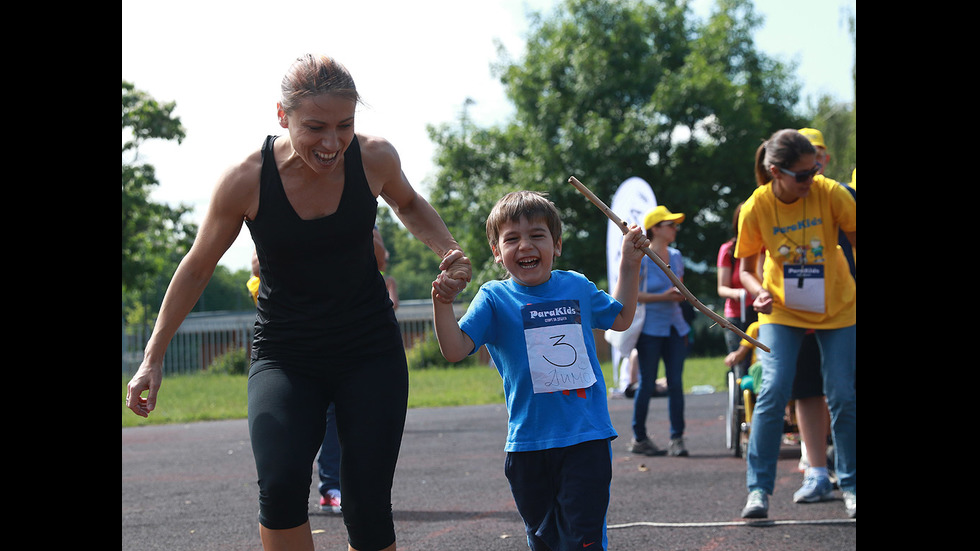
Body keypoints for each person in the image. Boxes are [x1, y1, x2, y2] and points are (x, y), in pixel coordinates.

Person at [125, 54, 472, 551]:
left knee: (366, 500)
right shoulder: (245, 179)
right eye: (316, 127)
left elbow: (409, 203)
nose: (332, 143)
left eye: (344, 126)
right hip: (286, 353)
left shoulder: (374, 158)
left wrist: (449, 251)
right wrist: (152, 359)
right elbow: (198, 266)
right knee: (282, 483)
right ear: (283, 117)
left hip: (369, 347)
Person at [430, 190, 648, 551]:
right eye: (512, 238)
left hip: (586, 437)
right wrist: (442, 304)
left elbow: (622, 318)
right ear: (498, 254)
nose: (525, 245)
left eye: (537, 235)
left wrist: (630, 262)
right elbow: (454, 349)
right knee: (545, 539)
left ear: (557, 245)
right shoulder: (494, 298)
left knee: (584, 538)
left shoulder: (576, 285)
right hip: (528, 444)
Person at [735, 128, 856, 520]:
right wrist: (759, 292)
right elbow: (747, 268)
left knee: (842, 393)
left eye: (815, 169)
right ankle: (758, 490)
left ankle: (851, 486)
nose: (812, 179)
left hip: (837, 306)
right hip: (782, 308)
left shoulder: (831, 192)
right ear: (775, 172)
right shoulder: (757, 207)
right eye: (802, 174)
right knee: (772, 389)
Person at [788, 127, 857, 504]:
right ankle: (816, 471)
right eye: (799, 160)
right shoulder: (777, 200)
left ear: (824, 159)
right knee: (807, 388)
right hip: (800, 308)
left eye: (814, 155)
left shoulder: (841, 195)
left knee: (844, 392)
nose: (808, 165)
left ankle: (850, 476)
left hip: (845, 308)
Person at [628, 205, 692, 457]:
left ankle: (677, 439)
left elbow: (681, 289)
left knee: (676, 383)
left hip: (676, 327)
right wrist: (664, 297)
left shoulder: (676, 256)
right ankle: (639, 438)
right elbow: (633, 295)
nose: (675, 229)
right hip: (650, 330)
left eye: (675, 225)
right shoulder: (642, 257)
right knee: (646, 384)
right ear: (655, 228)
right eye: (670, 225)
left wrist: (680, 296)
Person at [716, 202, 757, 377]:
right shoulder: (728, 250)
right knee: (740, 362)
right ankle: (741, 398)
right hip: (737, 314)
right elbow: (722, 288)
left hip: (759, 312)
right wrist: (738, 293)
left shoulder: (762, 247)